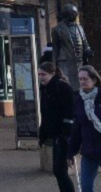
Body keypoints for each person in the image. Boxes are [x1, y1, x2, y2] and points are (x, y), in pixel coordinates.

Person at [38, 62, 76, 192]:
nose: (41, 77)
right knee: (58, 170)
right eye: (39, 74)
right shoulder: (45, 89)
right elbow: (45, 114)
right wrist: (42, 133)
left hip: (64, 135)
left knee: (60, 170)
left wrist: (65, 131)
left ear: (52, 74)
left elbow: (70, 111)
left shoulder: (62, 87)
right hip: (55, 134)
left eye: (43, 74)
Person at [52, 4, 93, 91]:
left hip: (79, 62)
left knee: (80, 86)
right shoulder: (57, 29)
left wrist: (88, 50)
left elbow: (85, 43)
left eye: (76, 13)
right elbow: (55, 49)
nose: (75, 15)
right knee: (67, 87)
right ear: (66, 14)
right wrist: (53, 66)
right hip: (65, 63)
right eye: (73, 13)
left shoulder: (80, 28)